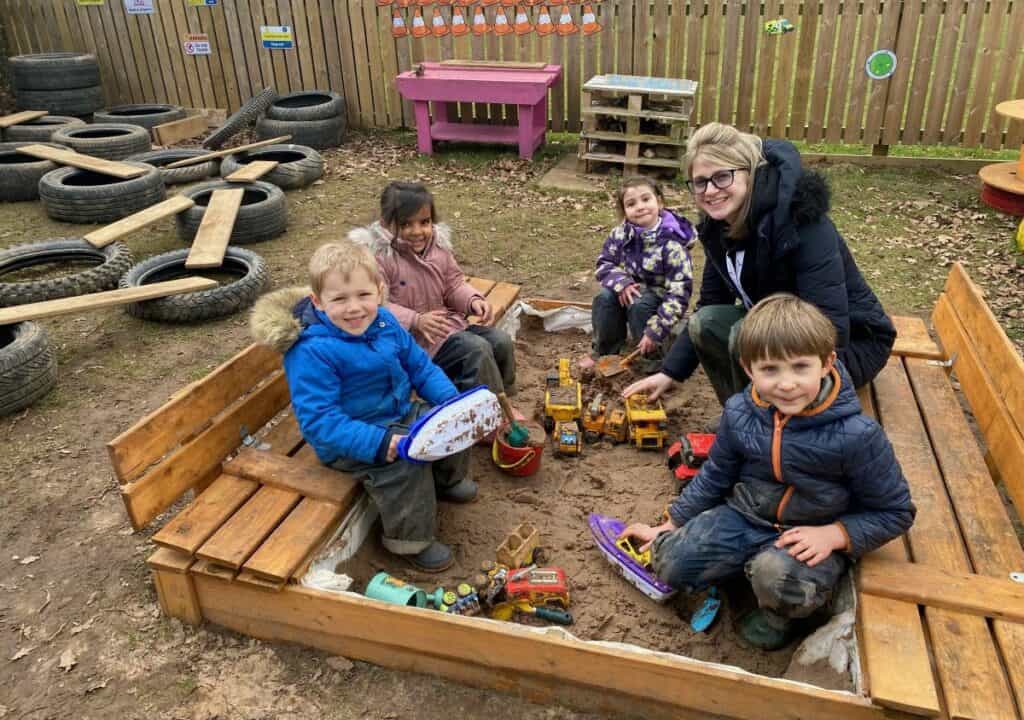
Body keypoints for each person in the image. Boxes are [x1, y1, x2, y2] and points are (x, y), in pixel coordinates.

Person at [619, 294, 915, 650]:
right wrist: (672, 523)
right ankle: (741, 572)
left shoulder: (857, 436)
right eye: (770, 370)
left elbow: (896, 511)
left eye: (800, 367)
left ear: (826, 363)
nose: (786, 384)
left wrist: (835, 535)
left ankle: (779, 614)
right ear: (748, 368)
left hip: (806, 533)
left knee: (778, 579)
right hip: (744, 516)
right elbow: (716, 474)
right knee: (670, 563)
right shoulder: (740, 413)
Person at [624, 123, 896, 406]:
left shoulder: (800, 222)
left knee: (745, 335)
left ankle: (767, 422)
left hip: (849, 346)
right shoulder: (718, 228)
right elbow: (708, 305)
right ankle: (740, 412)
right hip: (785, 335)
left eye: (722, 177)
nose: (710, 190)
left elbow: (831, 324)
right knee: (707, 322)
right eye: (700, 182)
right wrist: (670, 372)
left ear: (750, 174)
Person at [249, 241, 477, 573]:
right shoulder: (311, 350)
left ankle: (446, 480)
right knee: (404, 464)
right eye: (339, 299)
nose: (354, 308)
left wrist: (452, 402)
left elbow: (420, 367)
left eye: (363, 295)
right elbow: (320, 421)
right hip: (347, 440)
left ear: (380, 292)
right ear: (318, 302)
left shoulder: (384, 322)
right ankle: (409, 541)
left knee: (444, 421)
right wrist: (379, 443)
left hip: (394, 414)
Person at [349, 180, 515, 395]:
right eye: (406, 224)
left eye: (424, 222)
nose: (417, 231)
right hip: (410, 345)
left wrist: (472, 301)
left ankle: (504, 397)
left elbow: (453, 284)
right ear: (385, 223)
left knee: (500, 341)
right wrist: (415, 320)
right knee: (476, 350)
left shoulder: (437, 248)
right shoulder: (379, 257)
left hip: (446, 330)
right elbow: (375, 306)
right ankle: (484, 409)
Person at [592, 176, 696, 373]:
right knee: (604, 297)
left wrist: (656, 330)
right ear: (624, 212)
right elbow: (604, 263)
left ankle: (652, 361)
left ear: (660, 202)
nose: (640, 207)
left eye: (646, 199)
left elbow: (679, 293)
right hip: (634, 287)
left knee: (639, 306)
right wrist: (622, 283)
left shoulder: (672, 244)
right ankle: (605, 352)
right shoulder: (622, 233)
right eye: (631, 204)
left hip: (661, 296)